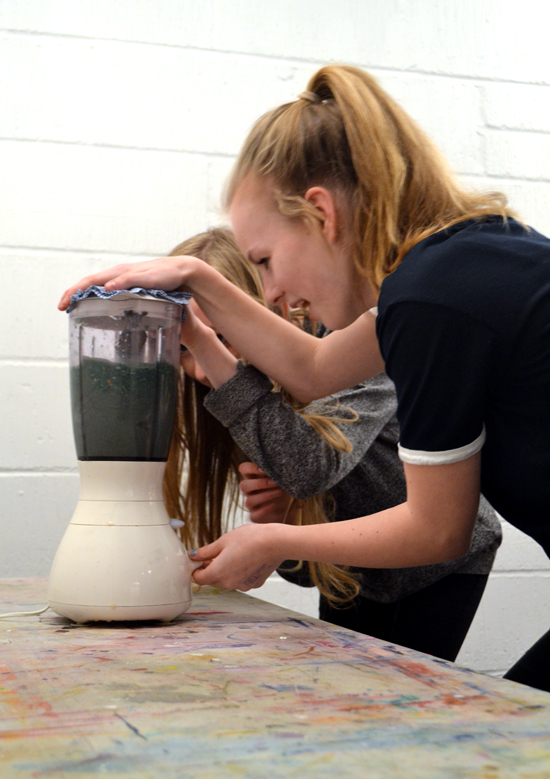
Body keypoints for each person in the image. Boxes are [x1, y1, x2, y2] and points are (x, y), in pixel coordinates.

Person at [58, 65, 550, 690]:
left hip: (434, 569)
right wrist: (195, 282)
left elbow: (439, 527)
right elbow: (314, 370)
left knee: (520, 739)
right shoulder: (450, 268)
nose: (274, 294)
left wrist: (270, 542)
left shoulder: (432, 298)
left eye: (264, 260)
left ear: (322, 214)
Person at [164, 227, 501, 662]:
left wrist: (281, 532)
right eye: (183, 352)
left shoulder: (352, 346)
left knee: (406, 697)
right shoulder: (237, 402)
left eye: (219, 339)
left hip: (443, 564)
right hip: (358, 567)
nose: (198, 370)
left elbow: (309, 469)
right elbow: (310, 567)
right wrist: (283, 527)